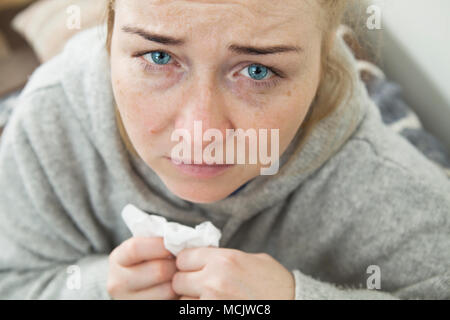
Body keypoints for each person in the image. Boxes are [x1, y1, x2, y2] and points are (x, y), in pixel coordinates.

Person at [0, 0, 448, 300]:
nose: (199, 133)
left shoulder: (403, 198)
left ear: (322, 62)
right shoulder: (48, 123)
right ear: (113, 37)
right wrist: (99, 289)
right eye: (159, 57)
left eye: (257, 70)